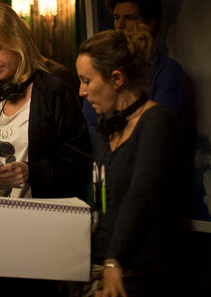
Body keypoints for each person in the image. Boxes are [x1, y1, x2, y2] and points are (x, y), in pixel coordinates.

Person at [0, 3, 92, 296]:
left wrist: (32, 171)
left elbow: (79, 163)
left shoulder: (54, 90)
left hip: (33, 236)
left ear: (18, 44)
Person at [75, 25, 182, 296]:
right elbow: (99, 201)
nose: (81, 91)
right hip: (99, 269)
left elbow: (141, 194)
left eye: (87, 80)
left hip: (139, 276)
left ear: (117, 78)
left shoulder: (157, 121)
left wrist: (114, 261)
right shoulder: (104, 129)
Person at [82, 0, 186, 139]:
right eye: (116, 17)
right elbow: (91, 127)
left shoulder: (168, 71)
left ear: (150, 23)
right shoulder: (104, 68)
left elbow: (158, 130)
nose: (120, 24)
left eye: (129, 17)